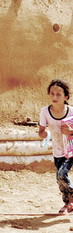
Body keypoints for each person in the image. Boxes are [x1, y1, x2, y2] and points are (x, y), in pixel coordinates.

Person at [38, 78, 73, 214]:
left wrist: (71, 132)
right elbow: (41, 131)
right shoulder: (45, 112)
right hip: (57, 151)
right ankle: (67, 203)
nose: (54, 97)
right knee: (60, 180)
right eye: (52, 93)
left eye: (58, 94)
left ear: (66, 97)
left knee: (62, 173)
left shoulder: (71, 111)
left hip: (70, 151)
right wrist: (43, 134)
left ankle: (72, 199)